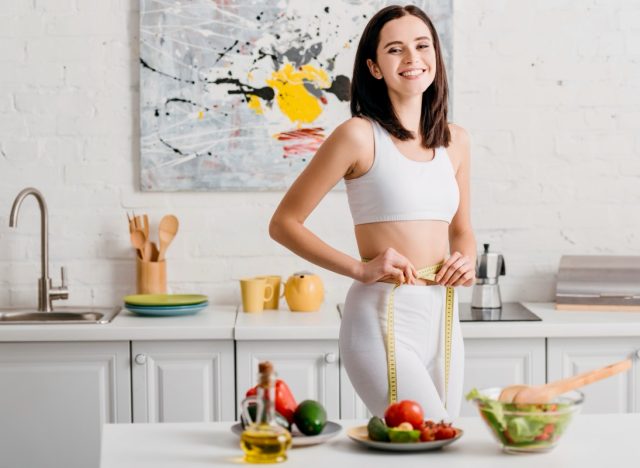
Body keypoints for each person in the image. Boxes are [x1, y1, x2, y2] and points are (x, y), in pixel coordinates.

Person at [269, 4, 476, 420]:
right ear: (375, 67)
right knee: (423, 437)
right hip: (383, 319)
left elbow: (462, 230)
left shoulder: (456, 141)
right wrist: (359, 270)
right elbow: (284, 224)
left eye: (422, 46)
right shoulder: (358, 136)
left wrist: (467, 261)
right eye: (395, 50)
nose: (413, 59)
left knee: (442, 443)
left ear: (436, 53)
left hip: (444, 318)